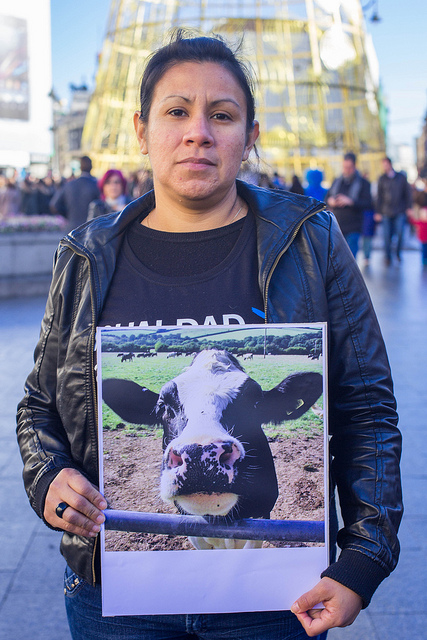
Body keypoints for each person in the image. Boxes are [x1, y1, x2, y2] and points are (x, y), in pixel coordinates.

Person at [17, 33, 402, 640]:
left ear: (249, 136)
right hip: (117, 597)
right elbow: (39, 403)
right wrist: (48, 477)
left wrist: (363, 559)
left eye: (222, 115)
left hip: (278, 597)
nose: (198, 132)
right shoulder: (86, 256)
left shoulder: (310, 242)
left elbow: (366, 406)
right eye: (176, 112)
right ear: (142, 130)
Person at [326, 153, 372, 258]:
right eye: (344, 167)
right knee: (338, 258)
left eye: (349, 167)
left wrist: (351, 202)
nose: (346, 170)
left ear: (354, 166)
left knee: (350, 258)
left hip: (354, 226)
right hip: (337, 225)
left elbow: (368, 203)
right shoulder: (337, 181)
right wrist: (331, 201)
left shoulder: (363, 183)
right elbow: (327, 197)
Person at [375, 157, 413, 264]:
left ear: (390, 164)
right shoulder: (382, 179)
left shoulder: (401, 177)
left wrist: (409, 207)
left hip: (399, 210)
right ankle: (388, 256)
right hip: (386, 211)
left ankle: (398, 254)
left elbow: (407, 193)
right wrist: (378, 212)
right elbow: (379, 196)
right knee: (386, 235)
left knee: (400, 233)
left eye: (386, 164)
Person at [49, 156, 100, 229]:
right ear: (91, 167)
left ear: (80, 167)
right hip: (91, 229)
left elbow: (54, 205)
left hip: (72, 228)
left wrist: (69, 215)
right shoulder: (96, 185)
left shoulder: (69, 185)